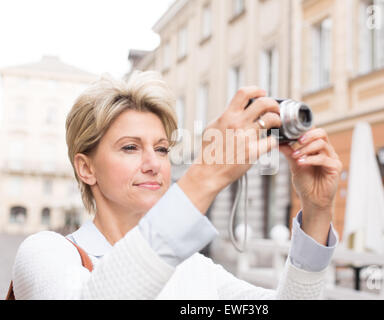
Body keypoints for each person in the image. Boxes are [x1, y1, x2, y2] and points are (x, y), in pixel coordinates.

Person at [11, 71, 342, 299]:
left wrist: (316, 212)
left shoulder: (194, 269)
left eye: (162, 149)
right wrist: (205, 176)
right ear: (86, 168)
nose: (154, 164)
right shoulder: (45, 253)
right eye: (130, 147)